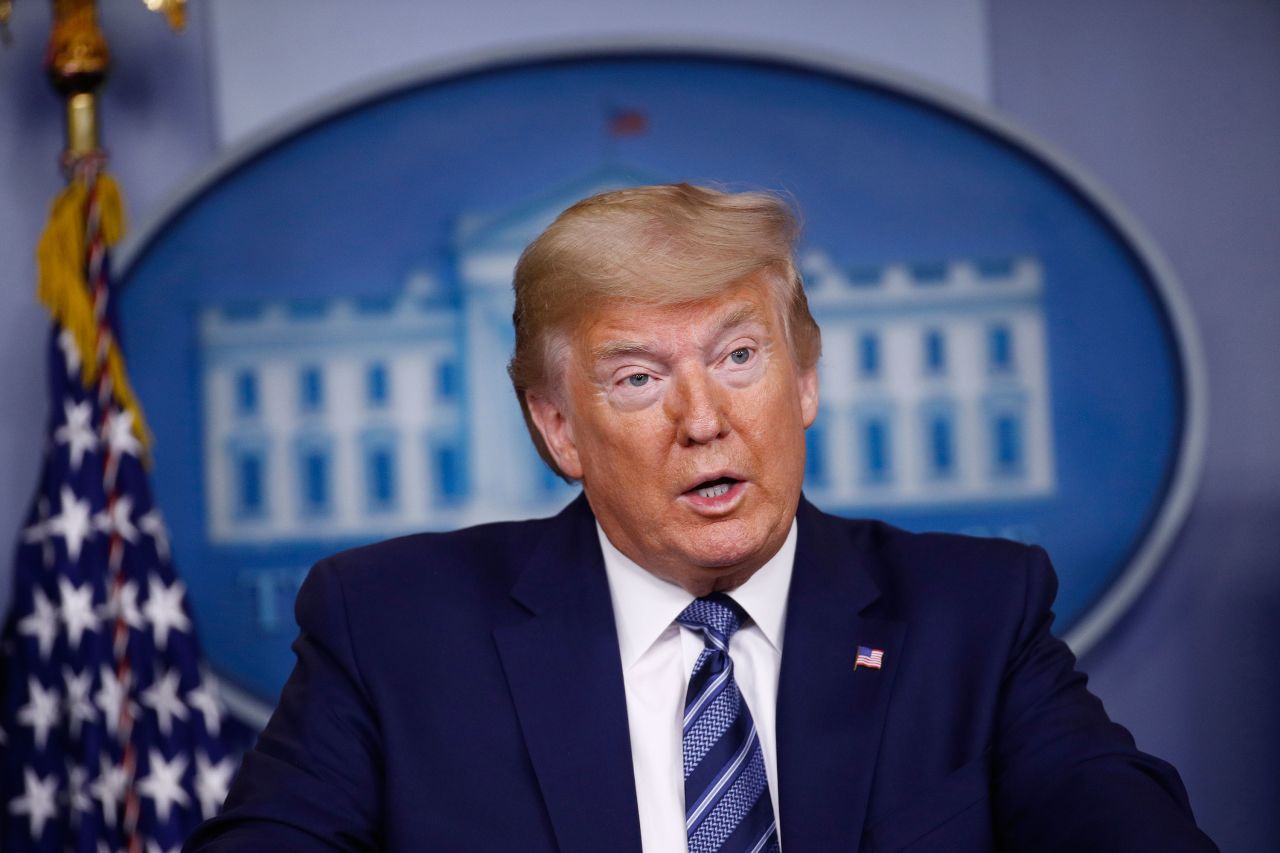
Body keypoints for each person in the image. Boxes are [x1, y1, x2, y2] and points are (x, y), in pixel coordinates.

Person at [187, 184, 1216, 852]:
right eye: (637, 378)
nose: (703, 419)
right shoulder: (394, 629)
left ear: (803, 380)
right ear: (558, 429)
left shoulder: (972, 616)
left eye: (737, 357)